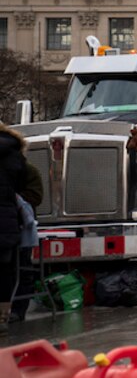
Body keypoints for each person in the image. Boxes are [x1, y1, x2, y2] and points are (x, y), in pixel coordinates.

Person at [0, 123, 31, 332]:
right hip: (6, 221)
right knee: (4, 271)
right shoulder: (14, 153)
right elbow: (22, 185)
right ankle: (2, 317)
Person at [10, 163, 43, 324]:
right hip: (17, 227)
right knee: (20, 271)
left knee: (21, 270)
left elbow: (36, 196)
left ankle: (17, 310)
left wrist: (14, 199)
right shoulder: (26, 169)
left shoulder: (26, 170)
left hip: (21, 228)